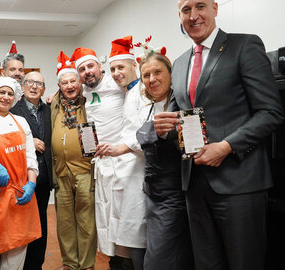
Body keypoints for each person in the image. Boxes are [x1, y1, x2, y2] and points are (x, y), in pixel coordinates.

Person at [153, 1, 284, 269]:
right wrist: (165, 130)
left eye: (200, 6)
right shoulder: (178, 65)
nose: (193, 15)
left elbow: (271, 112)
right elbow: (180, 119)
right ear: (179, 15)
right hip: (195, 185)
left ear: (215, 8)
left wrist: (226, 146)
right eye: (186, 9)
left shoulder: (244, 46)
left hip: (239, 183)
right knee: (206, 264)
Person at [70, 47, 147, 269]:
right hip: (102, 164)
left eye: (90, 66)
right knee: (108, 217)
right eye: (82, 69)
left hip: (127, 162)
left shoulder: (122, 86)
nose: (87, 72)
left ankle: (127, 261)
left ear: (99, 67)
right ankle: (116, 259)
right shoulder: (83, 91)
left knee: (127, 220)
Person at [134, 50, 194, 270]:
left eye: (157, 72)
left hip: (173, 196)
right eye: (146, 75)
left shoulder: (181, 104)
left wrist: (162, 135)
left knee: (158, 260)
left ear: (171, 73)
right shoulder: (152, 106)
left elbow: (193, 145)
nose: (152, 79)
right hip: (153, 194)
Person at [0, 76, 41, 270]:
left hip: (21, 196)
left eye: (10, 93)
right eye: (1, 92)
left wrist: (32, 183)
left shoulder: (21, 122)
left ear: (15, 97)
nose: (6, 97)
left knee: (17, 252)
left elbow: (30, 156)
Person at [51, 51, 97, 270]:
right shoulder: (53, 106)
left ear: (79, 83)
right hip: (60, 171)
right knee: (65, 222)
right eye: (64, 82)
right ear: (59, 85)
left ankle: (87, 264)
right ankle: (69, 263)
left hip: (85, 170)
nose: (69, 86)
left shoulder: (89, 102)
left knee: (86, 220)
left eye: (73, 81)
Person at [10, 71, 52, 270]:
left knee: (41, 224)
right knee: (22, 224)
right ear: (23, 85)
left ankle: (37, 264)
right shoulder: (13, 110)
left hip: (45, 179)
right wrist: (27, 140)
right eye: (30, 82)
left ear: (44, 89)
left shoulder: (50, 109)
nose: (34, 87)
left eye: (39, 84)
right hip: (22, 178)